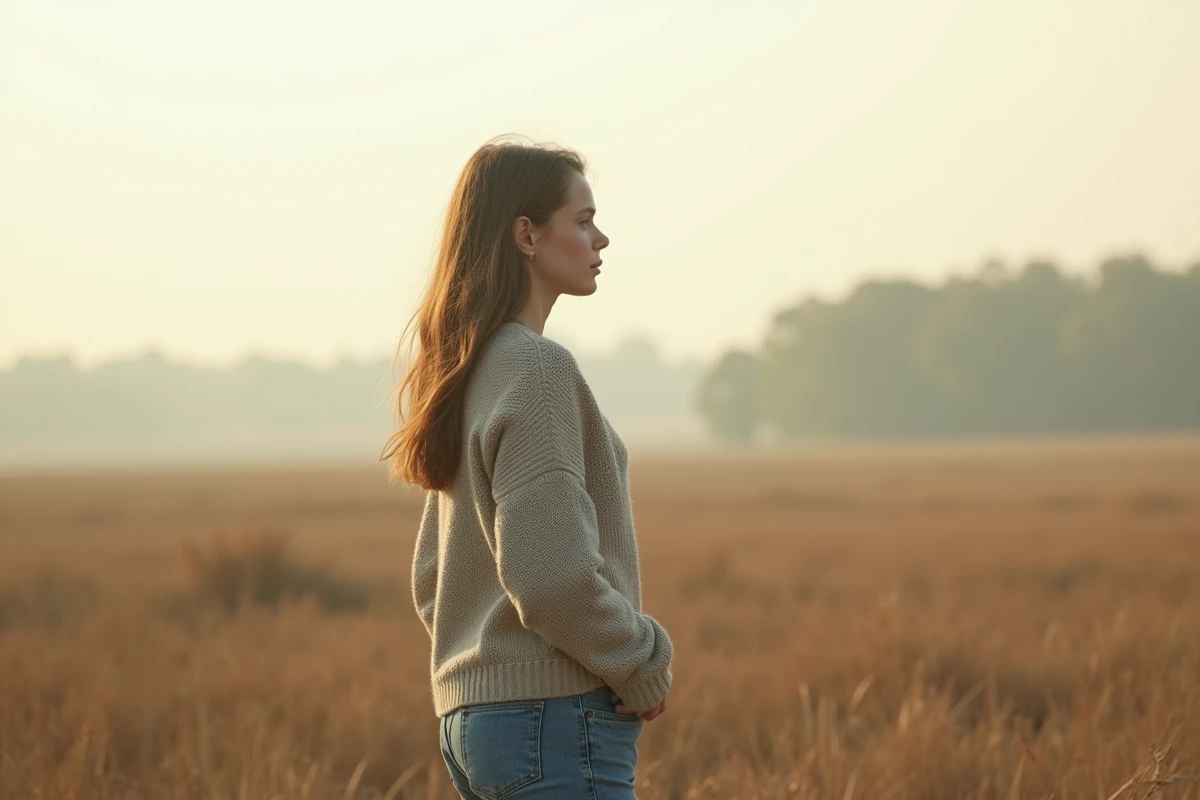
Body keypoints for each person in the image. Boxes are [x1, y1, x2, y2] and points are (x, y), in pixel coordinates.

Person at [380, 135, 674, 799]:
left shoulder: (469, 369)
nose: (601, 239)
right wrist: (641, 662)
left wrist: (487, 677)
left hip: (476, 727)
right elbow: (548, 575)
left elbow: (433, 578)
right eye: (583, 220)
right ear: (527, 235)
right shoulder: (537, 369)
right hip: (555, 722)